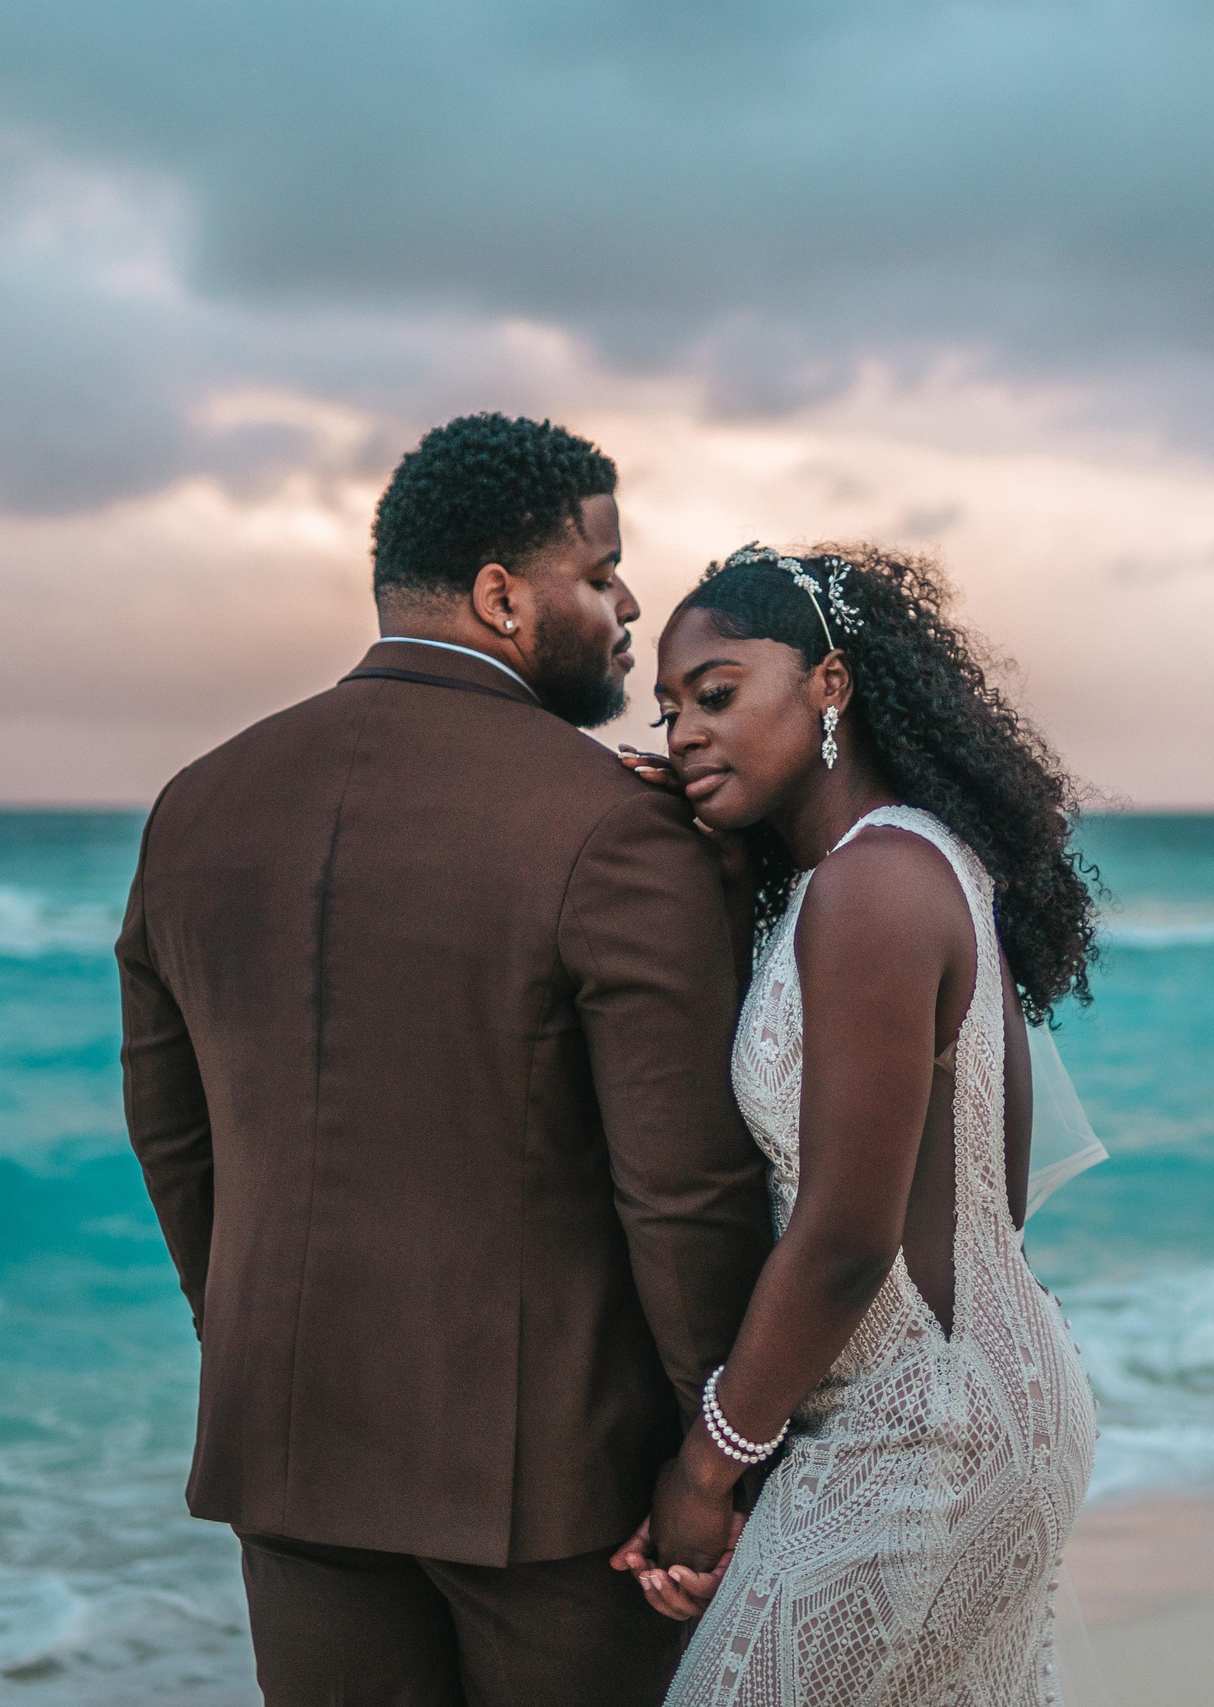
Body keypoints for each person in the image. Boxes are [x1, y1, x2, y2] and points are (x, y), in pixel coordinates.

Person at [115, 414, 773, 1707]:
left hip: (292, 1451)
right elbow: (682, 1190)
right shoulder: (615, 829)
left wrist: (252, 1338)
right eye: (601, 572)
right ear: (499, 595)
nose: (632, 601)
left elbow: (173, 1135)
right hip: (560, 1495)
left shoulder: (195, 804)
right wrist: (719, 1456)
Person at [612, 542, 1104, 1704]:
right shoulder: (911, 864)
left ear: (830, 685)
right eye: (669, 707)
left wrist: (707, 1466)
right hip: (976, 1412)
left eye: (718, 694)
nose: (682, 731)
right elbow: (997, 1180)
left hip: (920, 1442)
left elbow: (844, 1236)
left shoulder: (869, 890)